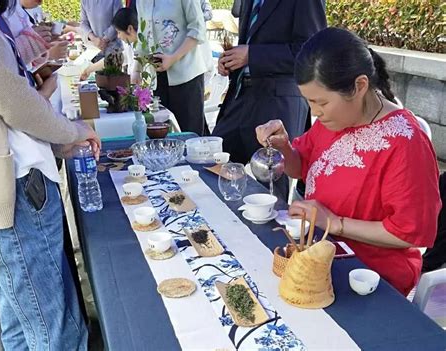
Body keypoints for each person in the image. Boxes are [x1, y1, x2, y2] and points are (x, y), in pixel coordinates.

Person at [255, 27, 441, 296]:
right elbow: (300, 166)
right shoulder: (334, 121)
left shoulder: (406, 142)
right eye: (310, 102)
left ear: (360, 86)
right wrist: (283, 145)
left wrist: (336, 222)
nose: (315, 113)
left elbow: (409, 233)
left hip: (370, 274)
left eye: (322, 103)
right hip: (317, 251)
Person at [0, 0, 101, 349]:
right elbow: (14, 101)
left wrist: (61, 139)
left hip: (4, 182)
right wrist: (71, 132)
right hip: (15, 184)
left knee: (21, 322)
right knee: (56, 330)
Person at [212, 0, 326, 165]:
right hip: (239, 97)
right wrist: (231, 61)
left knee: (271, 182)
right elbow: (251, 41)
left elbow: (312, 53)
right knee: (213, 167)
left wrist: (252, 55)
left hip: (278, 103)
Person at [134, 0, 209, 135]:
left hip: (187, 75)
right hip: (158, 76)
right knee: (163, 135)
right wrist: (136, 70)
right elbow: (142, 35)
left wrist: (173, 57)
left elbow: (198, 29)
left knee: (190, 135)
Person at [80, 7, 138, 81]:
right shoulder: (129, 44)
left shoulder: (145, 47)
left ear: (130, 29)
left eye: (119, 32)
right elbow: (113, 60)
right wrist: (89, 69)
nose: (118, 36)